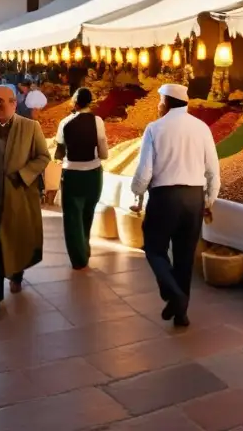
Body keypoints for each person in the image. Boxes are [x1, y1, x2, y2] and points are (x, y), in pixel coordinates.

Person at [131, 84, 220, 328]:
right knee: (184, 257)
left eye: (160, 100)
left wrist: (136, 191)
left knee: (154, 248)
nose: (158, 105)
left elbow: (145, 170)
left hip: (164, 198)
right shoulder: (201, 128)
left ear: (168, 102)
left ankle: (174, 295)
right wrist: (209, 199)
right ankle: (181, 313)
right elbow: (213, 168)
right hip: (194, 198)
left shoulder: (155, 128)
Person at [0, 85, 49, 311]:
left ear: (14, 103)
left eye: (2, 102)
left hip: (18, 200)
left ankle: (16, 274)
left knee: (17, 242)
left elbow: (43, 156)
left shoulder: (31, 127)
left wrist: (23, 175)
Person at [55, 88, 109, 270]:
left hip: (72, 175)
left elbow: (59, 152)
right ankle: (85, 246)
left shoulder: (65, 123)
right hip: (93, 174)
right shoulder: (98, 121)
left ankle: (78, 258)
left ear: (75, 103)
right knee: (88, 212)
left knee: (72, 217)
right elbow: (104, 152)